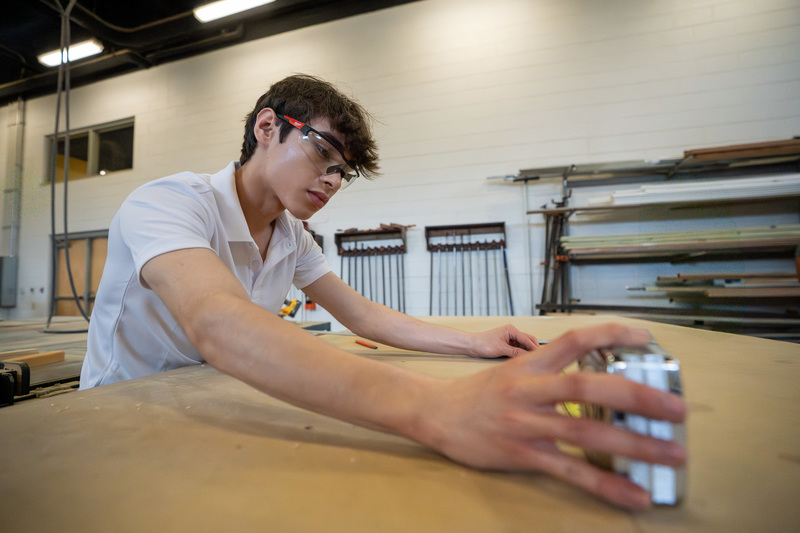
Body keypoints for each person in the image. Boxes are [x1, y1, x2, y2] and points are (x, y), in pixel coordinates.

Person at [80, 74, 686, 509]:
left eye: (344, 171)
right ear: (267, 127)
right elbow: (217, 322)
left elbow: (362, 315)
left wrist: (471, 344)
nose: (333, 179)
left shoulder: (291, 236)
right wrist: (438, 408)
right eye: (323, 153)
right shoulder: (170, 203)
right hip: (112, 422)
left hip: (211, 405)